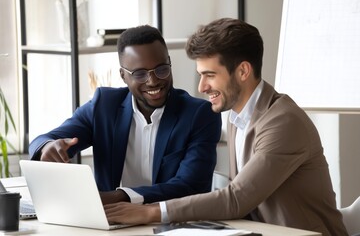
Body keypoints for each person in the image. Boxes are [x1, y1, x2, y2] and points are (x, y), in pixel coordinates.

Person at [102, 18, 348, 236]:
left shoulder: (283, 122)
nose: (202, 87)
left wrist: (148, 212)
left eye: (210, 74)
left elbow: (237, 198)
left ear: (242, 71)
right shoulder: (236, 117)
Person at [28, 25, 222, 205]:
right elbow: (43, 140)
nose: (153, 81)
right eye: (140, 74)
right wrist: (48, 147)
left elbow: (189, 186)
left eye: (161, 70)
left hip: (169, 222)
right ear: (123, 75)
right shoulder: (104, 106)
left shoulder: (199, 115)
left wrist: (118, 197)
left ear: (169, 64)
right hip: (111, 224)